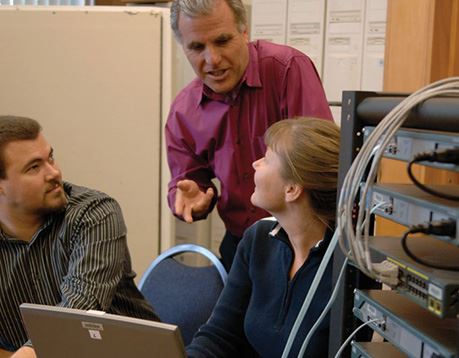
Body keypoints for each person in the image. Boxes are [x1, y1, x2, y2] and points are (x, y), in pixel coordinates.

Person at [166, 0, 333, 270]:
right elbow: (188, 183)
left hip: (307, 242)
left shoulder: (288, 69)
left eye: (222, 41)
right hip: (242, 245)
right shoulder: (184, 111)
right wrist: (191, 197)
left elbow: (320, 163)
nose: (212, 60)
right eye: (197, 47)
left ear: (245, 32)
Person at [0, 116, 159, 358]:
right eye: (34, 167)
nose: (54, 173)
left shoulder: (94, 213)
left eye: (50, 158)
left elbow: (76, 317)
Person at [186, 118, 340, 357]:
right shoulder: (258, 239)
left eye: (267, 159)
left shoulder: (345, 267)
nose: (256, 164)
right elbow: (219, 335)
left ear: (292, 189)